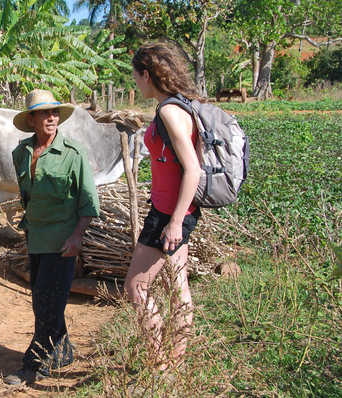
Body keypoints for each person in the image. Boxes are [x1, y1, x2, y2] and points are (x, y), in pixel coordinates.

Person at [5, 89, 100, 385]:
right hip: (36, 239)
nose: (51, 118)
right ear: (31, 119)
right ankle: (63, 352)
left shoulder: (73, 153)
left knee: (49, 305)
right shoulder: (20, 153)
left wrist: (76, 238)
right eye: (44, 113)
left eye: (55, 113)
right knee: (43, 301)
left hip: (62, 242)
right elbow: (27, 196)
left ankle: (31, 364)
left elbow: (88, 202)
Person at [124, 42, 203, 371]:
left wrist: (173, 222)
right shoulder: (181, 105)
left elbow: (193, 168)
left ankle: (158, 363)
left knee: (136, 285)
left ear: (146, 75)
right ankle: (175, 363)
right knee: (177, 285)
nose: (135, 84)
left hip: (171, 214)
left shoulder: (170, 112)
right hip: (178, 211)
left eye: (136, 78)